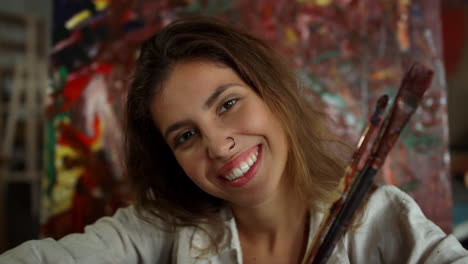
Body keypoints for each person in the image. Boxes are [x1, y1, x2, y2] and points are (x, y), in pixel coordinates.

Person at [1, 16, 467, 264]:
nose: (219, 145)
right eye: (185, 136)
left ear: (272, 93)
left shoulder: (382, 219)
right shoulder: (163, 228)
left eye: (227, 104)